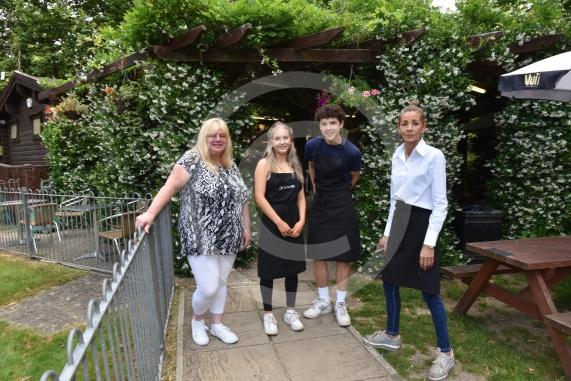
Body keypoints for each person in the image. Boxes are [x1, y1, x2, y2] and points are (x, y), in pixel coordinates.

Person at [135, 118, 250, 346]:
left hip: (230, 234)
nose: (218, 139)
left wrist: (246, 227)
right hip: (199, 235)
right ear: (204, 137)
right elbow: (170, 186)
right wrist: (150, 214)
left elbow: (243, 199)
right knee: (208, 287)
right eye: (212, 135)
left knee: (221, 282)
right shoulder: (192, 159)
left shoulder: (230, 164)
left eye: (222, 135)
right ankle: (198, 321)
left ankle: (217, 324)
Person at [363, 102, 454, 380]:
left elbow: (440, 204)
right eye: (405, 123)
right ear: (399, 128)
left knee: (429, 290)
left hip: (422, 227)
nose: (410, 128)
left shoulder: (434, 156)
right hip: (400, 222)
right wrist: (389, 231)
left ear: (423, 126)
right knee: (389, 280)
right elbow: (395, 199)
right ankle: (391, 334)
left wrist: (428, 244)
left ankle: (446, 352)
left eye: (415, 123)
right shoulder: (397, 154)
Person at [303, 104, 362, 327]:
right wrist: (318, 189)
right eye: (324, 123)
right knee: (319, 254)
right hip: (321, 203)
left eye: (333, 123)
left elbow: (354, 176)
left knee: (342, 256)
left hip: (342, 203)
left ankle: (340, 304)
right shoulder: (312, 146)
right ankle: (323, 301)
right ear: (320, 125)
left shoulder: (352, 152)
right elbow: (311, 167)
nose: (328, 128)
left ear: (341, 125)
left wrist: (340, 191)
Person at [254, 121, 307, 336]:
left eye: (286, 138)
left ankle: (290, 311)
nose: (282, 141)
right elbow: (259, 197)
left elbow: (301, 197)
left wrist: (302, 221)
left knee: (292, 270)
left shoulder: (295, 165)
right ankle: (268, 314)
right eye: (278, 138)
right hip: (272, 223)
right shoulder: (264, 165)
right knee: (268, 271)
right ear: (271, 142)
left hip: (294, 223)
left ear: (291, 141)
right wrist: (278, 222)